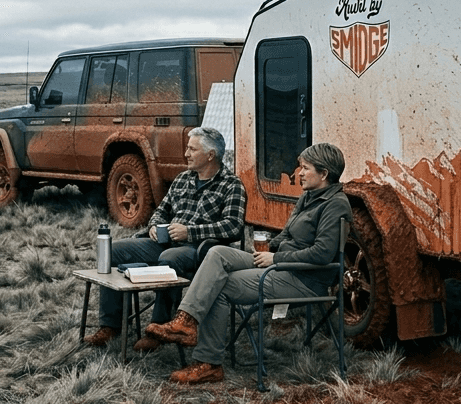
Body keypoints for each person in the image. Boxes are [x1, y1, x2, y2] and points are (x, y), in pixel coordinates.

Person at [145, 142, 351, 384]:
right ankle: (185, 321)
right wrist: (272, 245)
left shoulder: (336, 204)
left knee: (218, 285)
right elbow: (286, 234)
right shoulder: (309, 196)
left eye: (305, 168)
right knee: (218, 253)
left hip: (304, 279)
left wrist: (276, 257)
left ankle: (208, 363)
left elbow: (322, 254)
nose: (299, 173)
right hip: (281, 266)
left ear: (324, 174)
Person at [83, 126, 247, 351]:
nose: (186, 154)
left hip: (201, 250)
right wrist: (153, 226)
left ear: (210, 155)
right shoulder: (182, 179)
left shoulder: (232, 185)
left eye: (192, 149)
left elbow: (233, 227)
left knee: (171, 258)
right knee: (114, 249)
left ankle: (158, 328)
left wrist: (190, 232)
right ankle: (111, 325)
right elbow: (162, 210)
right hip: (164, 241)